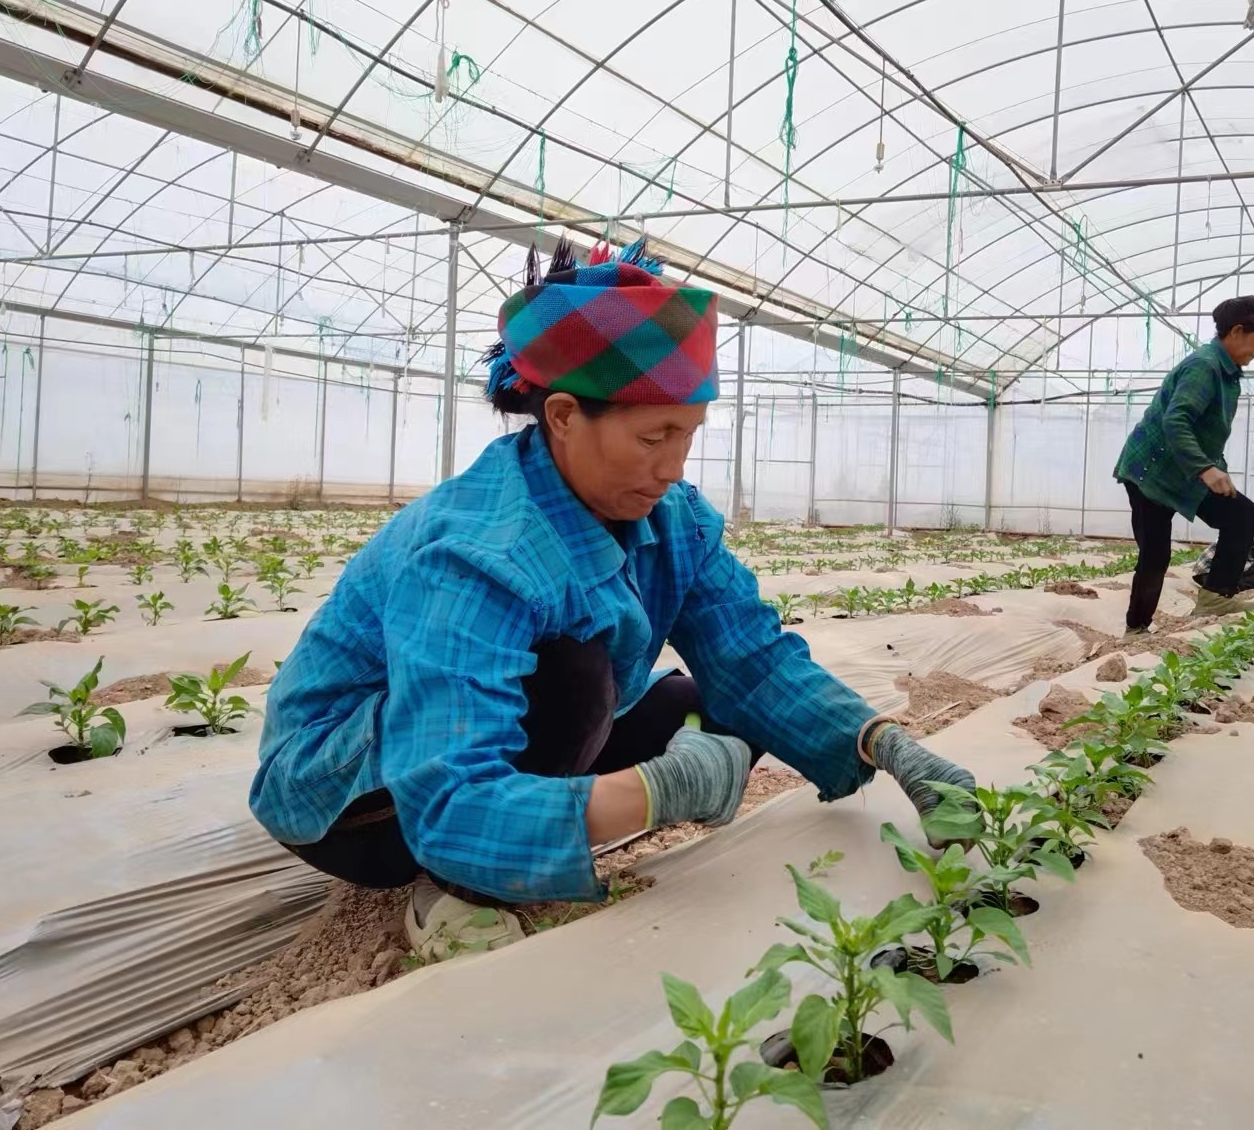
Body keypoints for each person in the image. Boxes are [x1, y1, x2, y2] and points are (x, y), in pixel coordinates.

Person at [250, 239, 975, 962]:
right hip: (359, 799)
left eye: (687, 435)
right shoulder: (476, 554)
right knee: (571, 676)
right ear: (564, 416)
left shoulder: (672, 519)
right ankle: (459, 888)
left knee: (713, 705)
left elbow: (752, 659)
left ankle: (553, 820)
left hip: (490, 747)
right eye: (654, 436)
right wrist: (658, 791)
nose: (674, 467)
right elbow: (446, 790)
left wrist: (887, 744)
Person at [1114, 294, 1254, 629]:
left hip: (1184, 470)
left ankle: (1215, 596)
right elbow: (1176, 420)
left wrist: (1216, 467)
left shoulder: (1227, 373)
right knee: (1156, 554)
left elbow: (1207, 434)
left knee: (1242, 514)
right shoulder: (1205, 366)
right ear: (1237, 332)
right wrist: (1205, 468)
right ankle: (1136, 628)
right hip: (1152, 473)